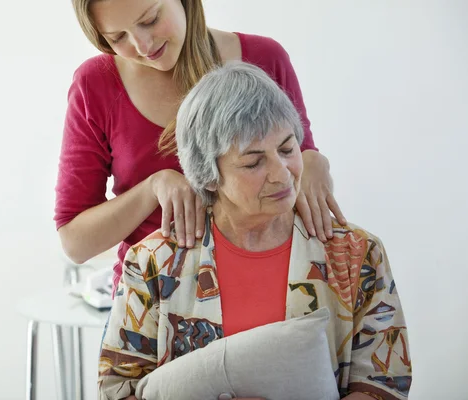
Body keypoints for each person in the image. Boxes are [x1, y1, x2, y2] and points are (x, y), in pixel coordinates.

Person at [98, 62, 412, 399]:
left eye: (288, 149)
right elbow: (116, 389)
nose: (283, 174)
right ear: (206, 174)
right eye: (253, 162)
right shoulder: (154, 263)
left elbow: (384, 385)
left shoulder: (357, 255)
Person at [55, 0, 347, 294]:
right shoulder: (96, 85)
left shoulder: (264, 58)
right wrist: (153, 188)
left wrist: (313, 160)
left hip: (270, 291)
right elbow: (76, 243)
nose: (142, 45)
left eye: (151, 19)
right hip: (154, 302)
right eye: (118, 37)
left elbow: (297, 158)